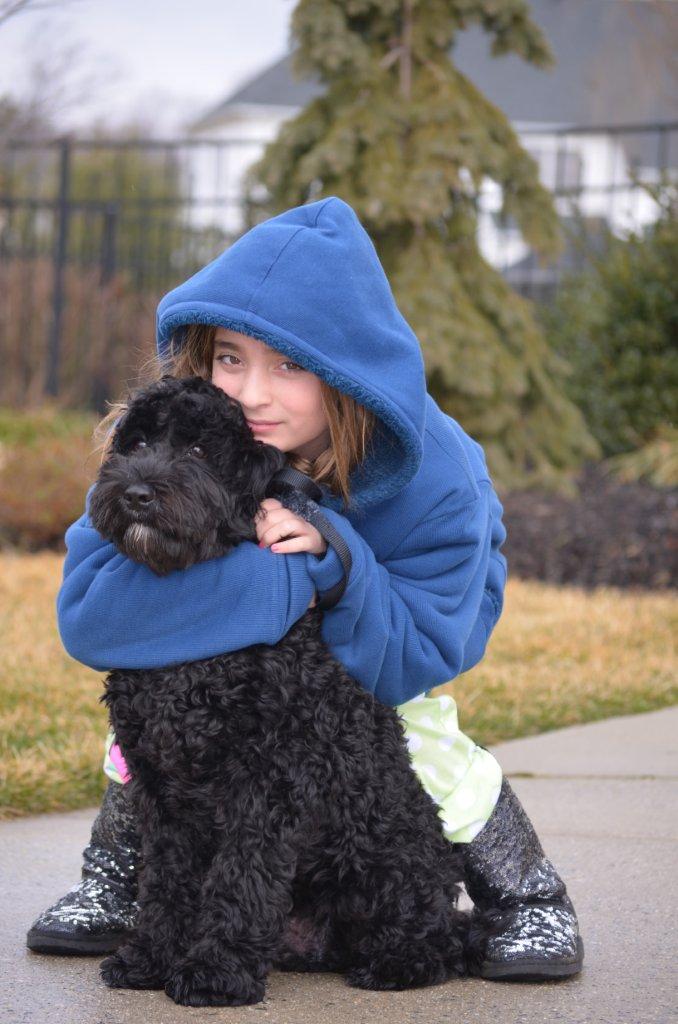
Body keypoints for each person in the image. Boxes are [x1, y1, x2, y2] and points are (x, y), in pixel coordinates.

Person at [27, 196, 583, 980]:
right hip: (234, 676)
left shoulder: (439, 476)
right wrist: (275, 580)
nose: (252, 393)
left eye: (289, 364)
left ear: (345, 369)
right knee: (148, 722)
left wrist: (335, 560)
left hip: (375, 670)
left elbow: (422, 652)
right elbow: (92, 619)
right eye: (230, 357)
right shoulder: (171, 443)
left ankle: (526, 895)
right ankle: (118, 881)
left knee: (415, 738)